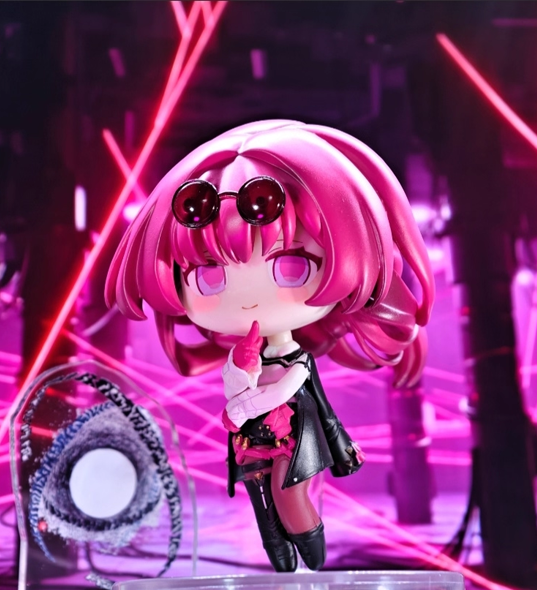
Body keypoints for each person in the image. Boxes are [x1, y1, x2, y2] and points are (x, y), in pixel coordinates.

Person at [105, 120, 434, 572]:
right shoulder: (246, 352)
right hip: (252, 435)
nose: (248, 299)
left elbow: (284, 388)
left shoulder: (298, 361)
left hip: (291, 435)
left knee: (288, 492)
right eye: (209, 275)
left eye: (291, 266)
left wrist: (244, 402)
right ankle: (281, 559)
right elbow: (236, 383)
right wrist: (241, 378)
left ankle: (311, 555)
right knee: (260, 497)